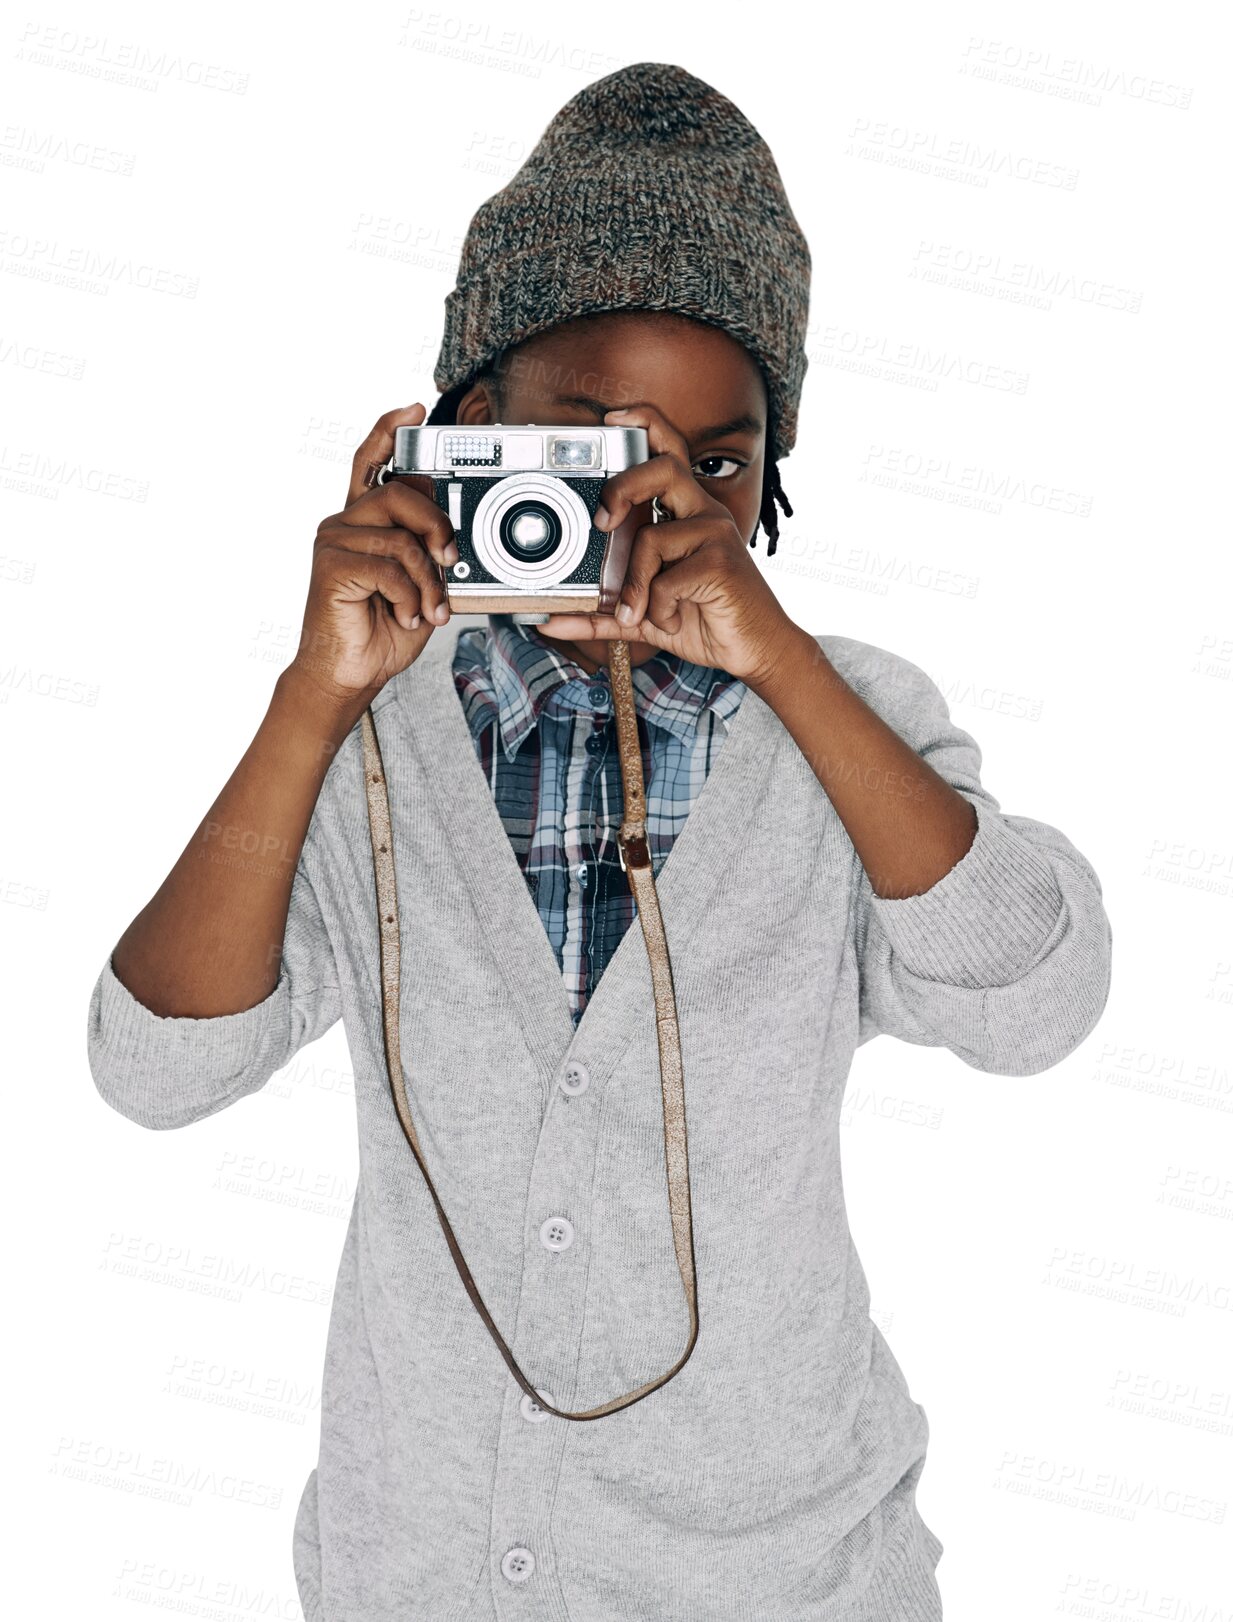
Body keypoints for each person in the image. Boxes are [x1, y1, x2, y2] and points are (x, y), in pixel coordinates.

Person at [86, 62, 1113, 1621]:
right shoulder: (364, 742)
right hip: (422, 1573)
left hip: (777, 1573)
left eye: (714, 459)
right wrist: (312, 698)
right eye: (590, 447)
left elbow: (1034, 1002)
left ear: (771, 484)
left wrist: (780, 663)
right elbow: (156, 1070)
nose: (650, 502)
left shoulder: (844, 720)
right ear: (460, 431)